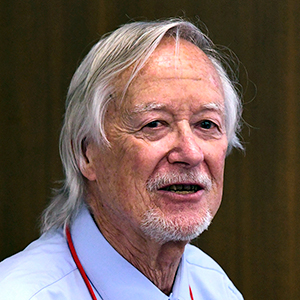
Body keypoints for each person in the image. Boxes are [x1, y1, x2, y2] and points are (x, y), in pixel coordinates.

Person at [0, 19, 244, 299]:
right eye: (154, 124)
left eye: (206, 124)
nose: (190, 153)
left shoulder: (214, 287)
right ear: (86, 153)